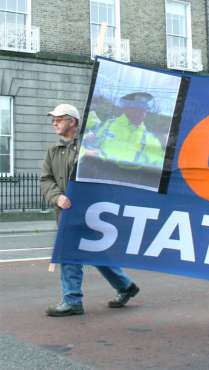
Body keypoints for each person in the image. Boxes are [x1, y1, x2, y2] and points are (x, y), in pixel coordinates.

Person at [40, 103, 140, 317]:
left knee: (69, 254)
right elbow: (46, 179)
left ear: (72, 122)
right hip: (65, 213)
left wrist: (93, 156)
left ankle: (72, 300)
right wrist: (57, 197)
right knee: (95, 253)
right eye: (53, 118)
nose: (54, 122)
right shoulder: (52, 151)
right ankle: (125, 286)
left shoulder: (90, 145)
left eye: (59, 118)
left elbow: (108, 174)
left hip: (88, 212)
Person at [79, 92, 165, 186]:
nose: (142, 113)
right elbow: (90, 145)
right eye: (137, 108)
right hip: (102, 174)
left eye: (144, 110)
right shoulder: (108, 125)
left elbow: (161, 166)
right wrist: (88, 146)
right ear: (126, 108)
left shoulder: (151, 139)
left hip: (131, 181)